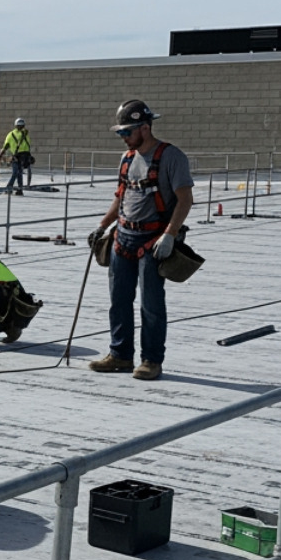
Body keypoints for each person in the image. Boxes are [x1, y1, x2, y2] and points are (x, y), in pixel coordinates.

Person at [86, 100, 194, 381]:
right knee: (118, 300)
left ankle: (151, 360)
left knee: (151, 304)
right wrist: (102, 226)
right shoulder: (127, 158)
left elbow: (185, 200)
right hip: (123, 238)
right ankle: (120, 355)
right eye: (121, 133)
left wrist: (170, 235)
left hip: (153, 241)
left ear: (144, 128)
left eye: (127, 133)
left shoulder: (172, 157)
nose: (123, 138)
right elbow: (121, 197)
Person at [2, 118, 32, 194]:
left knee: (17, 172)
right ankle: (19, 189)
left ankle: (11, 188)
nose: (21, 127)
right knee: (18, 172)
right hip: (23, 156)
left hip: (18, 156)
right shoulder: (25, 134)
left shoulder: (12, 134)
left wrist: (1, 154)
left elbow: (6, 145)